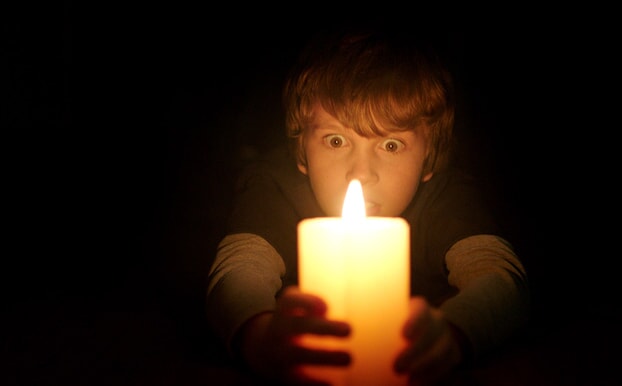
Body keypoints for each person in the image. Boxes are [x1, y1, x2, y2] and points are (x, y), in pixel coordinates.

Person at [206, 23, 530, 385]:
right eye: (335, 141)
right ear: (302, 150)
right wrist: (259, 335)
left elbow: (501, 279)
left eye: (390, 145)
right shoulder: (275, 187)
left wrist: (453, 333)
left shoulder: (444, 195)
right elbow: (238, 271)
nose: (360, 174)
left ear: (428, 159)